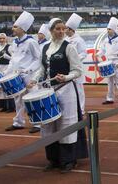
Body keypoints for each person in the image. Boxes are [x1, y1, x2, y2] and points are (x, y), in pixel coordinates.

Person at [29, 18, 88, 173]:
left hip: (66, 90)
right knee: (49, 125)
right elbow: (42, 69)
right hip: (49, 90)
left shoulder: (69, 47)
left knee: (66, 123)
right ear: (51, 30)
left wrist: (66, 77)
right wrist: (34, 80)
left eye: (63, 29)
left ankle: (69, 160)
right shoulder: (45, 48)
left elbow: (78, 70)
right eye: (58, 29)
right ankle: (53, 159)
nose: (62, 32)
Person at [3, 11, 41, 133]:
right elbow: (13, 60)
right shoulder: (14, 42)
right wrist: (7, 73)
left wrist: (28, 70)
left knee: (33, 98)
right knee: (18, 100)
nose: (12, 28)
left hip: (29, 75)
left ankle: (38, 123)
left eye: (15, 26)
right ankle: (18, 122)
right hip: (16, 75)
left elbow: (38, 59)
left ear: (23, 29)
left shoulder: (31, 42)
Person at [96, 17, 118, 105]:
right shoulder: (105, 40)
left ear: (114, 30)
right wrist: (98, 54)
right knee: (110, 82)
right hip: (108, 62)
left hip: (117, 62)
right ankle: (109, 98)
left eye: (110, 29)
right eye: (108, 29)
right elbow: (102, 50)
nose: (108, 31)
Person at [65, 13, 87, 115]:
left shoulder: (79, 40)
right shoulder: (65, 40)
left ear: (71, 29)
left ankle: (81, 109)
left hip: (76, 67)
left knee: (79, 89)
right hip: (67, 68)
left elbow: (83, 53)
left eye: (66, 29)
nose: (64, 30)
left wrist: (75, 60)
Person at [0, 33, 15, 113]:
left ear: (6, 39)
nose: (1, 40)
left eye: (3, 38)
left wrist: (8, 57)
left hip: (7, 68)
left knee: (8, 86)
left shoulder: (9, 47)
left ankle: (11, 106)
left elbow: (14, 59)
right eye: (0, 38)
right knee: (0, 88)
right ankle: (4, 106)